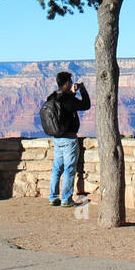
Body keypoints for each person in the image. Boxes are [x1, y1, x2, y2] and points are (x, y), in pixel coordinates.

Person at [47, 71, 91, 207]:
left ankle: (53, 197)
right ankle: (66, 199)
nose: (72, 84)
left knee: (56, 168)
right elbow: (85, 105)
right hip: (69, 140)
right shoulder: (68, 99)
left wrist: (72, 93)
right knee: (69, 169)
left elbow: (64, 104)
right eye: (70, 82)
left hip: (57, 138)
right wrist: (82, 90)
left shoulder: (52, 97)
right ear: (67, 83)